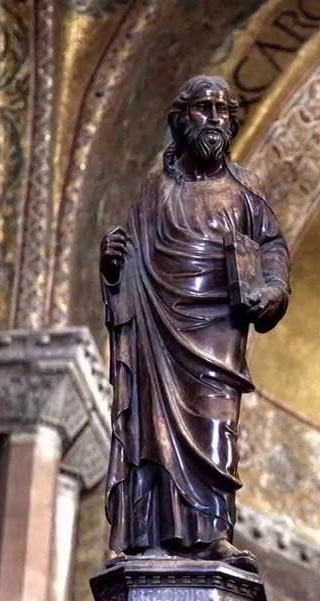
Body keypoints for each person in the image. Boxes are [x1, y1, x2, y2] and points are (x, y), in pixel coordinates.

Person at [101, 76, 289, 571]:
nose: (215, 120)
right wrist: (113, 263)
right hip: (158, 328)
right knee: (152, 427)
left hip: (217, 326)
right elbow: (133, 259)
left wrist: (274, 288)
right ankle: (150, 534)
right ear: (180, 119)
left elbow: (271, 246)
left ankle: (211, 532)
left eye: (224, 111)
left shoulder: (245, 189)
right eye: (204, 108)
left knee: (214, 425)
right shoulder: (155, 189)